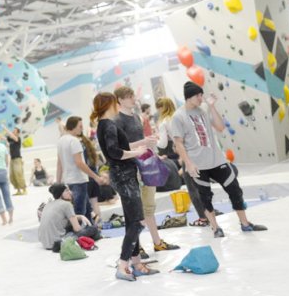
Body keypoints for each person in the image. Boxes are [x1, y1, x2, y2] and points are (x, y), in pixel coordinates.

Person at [170, 81, 268, 237]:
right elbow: (178, 143)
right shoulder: (178, 116)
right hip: (198, 164)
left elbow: (220, 127)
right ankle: (216, 228)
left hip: (218, 160)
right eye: (198, 95)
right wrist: (188, 163)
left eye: (201, 95)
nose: (201, 98)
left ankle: (245, 223)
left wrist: (212, 106)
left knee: (235, 190)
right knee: (205, 197)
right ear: (189, 97)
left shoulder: (202, 110)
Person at [93, 92, 159, 281]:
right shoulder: (108, 125)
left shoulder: (104, 124)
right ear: (110, 104)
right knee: (138, 221)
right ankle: (123, 265)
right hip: (123, 175)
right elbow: (114, 152)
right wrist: (136, 153)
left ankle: (136, 262)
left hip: (123, 174)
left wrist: (137, 149)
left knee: (132, 221)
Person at [113, 86, 179, 253]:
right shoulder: (117, 120)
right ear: (120, 100)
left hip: (146, 164)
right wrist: (143, 143)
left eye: (132, 95)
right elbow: (118, 148)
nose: (133, 98)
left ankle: (157, 242)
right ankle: (137, 247)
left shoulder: (136, 117)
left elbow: (136, 141)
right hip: (130, 168)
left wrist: (148, 142)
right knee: (135, 210)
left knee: (149, 206)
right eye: (129, 96)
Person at [156, 97, 205, 225]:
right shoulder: (180, 115)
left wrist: (153, 140)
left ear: (161, 108)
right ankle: (208, 213)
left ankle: (203, 218)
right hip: (197, 151)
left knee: (192, 187)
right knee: (201, 184)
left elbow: (162, 143)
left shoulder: (164, 122)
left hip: (186, 154)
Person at [55, 116, 107, 218]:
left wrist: (58, 182)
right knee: (80, 213)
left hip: (68, 181)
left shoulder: (61, 141)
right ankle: (83, 233)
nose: (82, 129)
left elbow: (59, 164)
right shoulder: (74, 141)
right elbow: (79, 163)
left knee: (87, 211)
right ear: (73, 127)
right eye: (80, 126)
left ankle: (93, 232)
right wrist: (95, 177)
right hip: (78, 181)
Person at [38, 183, 101, 252]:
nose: (70, 192)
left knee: (76, 225)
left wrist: (80, 216)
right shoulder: (66, 204)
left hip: (45, 243)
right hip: (58, 242)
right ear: (60, 193)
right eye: (67, 191)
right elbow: (77, 229)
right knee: (93, 229)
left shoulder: (48, 204)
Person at [4, 126, 27, 195]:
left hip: (17, 159)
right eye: (13, 130)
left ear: (18, 133)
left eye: (15, 131)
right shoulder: (11, 140)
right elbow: (4, 138)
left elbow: (12, 136)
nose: (13, 132)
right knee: (12, 176)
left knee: (19, 174)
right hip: (12, 159)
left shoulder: (18, 139)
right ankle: (18, 190)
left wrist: (5, 128)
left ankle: (24, 189)